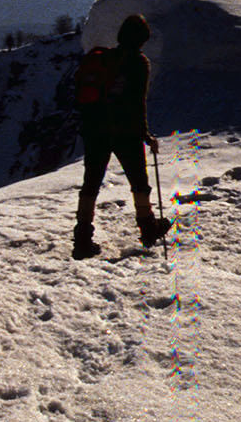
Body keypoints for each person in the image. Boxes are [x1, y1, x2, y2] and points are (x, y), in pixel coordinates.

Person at [72, 13, 170, 259]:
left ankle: (82, 239)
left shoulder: (104, 58)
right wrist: (145, 134)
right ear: (141, 40)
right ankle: (147, 228)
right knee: (139, 182)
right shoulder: (138, 62)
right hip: (124, 130)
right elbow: (137, 103)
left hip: (95, 128)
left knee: (91, 183)